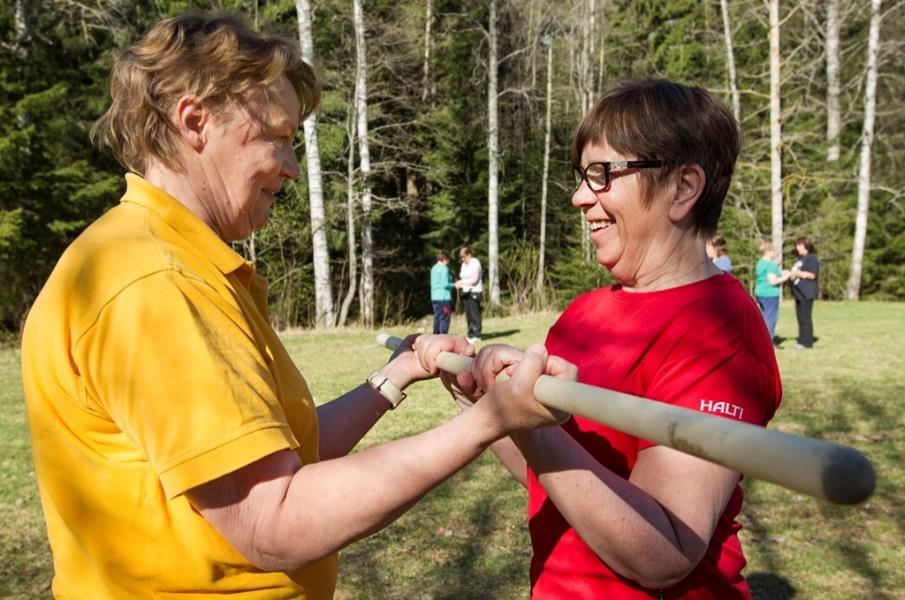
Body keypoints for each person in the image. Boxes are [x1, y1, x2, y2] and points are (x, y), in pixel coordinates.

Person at [20, 13, 568, 599]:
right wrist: (487, 423)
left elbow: (278, 453)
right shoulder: (156, 282)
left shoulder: (164, 259)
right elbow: (271, 521)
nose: (289, 164)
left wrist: (397, 373)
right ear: (195, 120)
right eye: (275, 138)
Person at [443, 80, 782, 598]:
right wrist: (492, 406)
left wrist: (534, 430)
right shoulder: (583, 314)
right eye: (582, 177)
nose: (581, 197)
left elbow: (665, 550)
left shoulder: (721, 328)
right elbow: (552, 478)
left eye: (603, 174)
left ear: (683, 188)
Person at [754, 240, 791, 345]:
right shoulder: (770, 265)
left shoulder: (760, 263)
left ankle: (759, 340)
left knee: (762, 317)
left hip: (760, 293)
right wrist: (786, 277)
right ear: (768, 251)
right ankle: (768, 343)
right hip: (769, 294)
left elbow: (769, 275)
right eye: (772, 250)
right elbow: (772, 281)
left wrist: (782, 273)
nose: (774, 253)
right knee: (770, 318)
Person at [788, 236, 820, 349]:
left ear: (806, 245)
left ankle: (807, 342)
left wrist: (797, 274)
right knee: (800, 317)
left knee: (806, 317)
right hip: (798, 293)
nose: (797, 248)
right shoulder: (800, 259)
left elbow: (812, 275)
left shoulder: (812, 258)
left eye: (799, 245)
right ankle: (801, 339)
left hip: (807, 292)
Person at [454, 246, 483, 344]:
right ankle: (470, 334)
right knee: (468, 314)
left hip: (474, 291)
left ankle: (477, 335)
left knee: (475, 314)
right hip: (466, 292)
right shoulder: (463, 265)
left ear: (469, 255)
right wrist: (459, 283)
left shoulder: (475, 263)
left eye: (464, 257)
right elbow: (462, 277)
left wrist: (462, 283)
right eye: (461, 258)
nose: (463, 259)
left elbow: (474, 280)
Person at [430, 250, 454, 334]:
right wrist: (455, 284)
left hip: (435, 297)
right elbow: (445, 284)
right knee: (444, 317)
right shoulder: (444, 268)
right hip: (443, 297)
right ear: (445, 259)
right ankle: (443, 336)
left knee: (437, 317)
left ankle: (435, 334)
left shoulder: (434, 268)